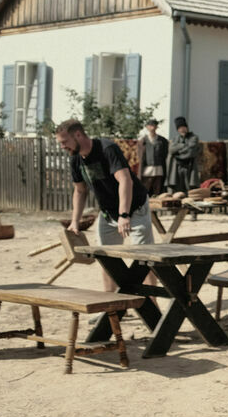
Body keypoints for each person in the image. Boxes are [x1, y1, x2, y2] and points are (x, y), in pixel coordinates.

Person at [54, 119, 157, 293]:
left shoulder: (107, 149)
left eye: (64, 142)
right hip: (108, 214)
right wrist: (75, 222)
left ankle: (151, 306)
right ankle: (110, 308)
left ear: (78, 135)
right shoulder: (75, 159)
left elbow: (125, 180)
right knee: (107, 258)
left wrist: (124, 215)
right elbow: (80, 191)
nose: (62, 146)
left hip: (135, 209)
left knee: (143, 258)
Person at [166, 116, 200, 195]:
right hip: (177, 167)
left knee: (189, 189)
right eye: (180, 128)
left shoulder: (193, 137)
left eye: (183, 127)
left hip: (189, 166)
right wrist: (182, 145)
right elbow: (171, 150)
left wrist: (178, 154)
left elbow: (191, 151)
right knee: (178, 189)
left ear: (187, 127)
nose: (182, 130)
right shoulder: (175, 138)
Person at [136, 119, 169, 196]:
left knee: (157, 186)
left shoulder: (162, 140)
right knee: (146, 185)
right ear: (147, 127)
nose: (152, 128)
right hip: (147, 167)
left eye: (154, 126)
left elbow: (165, 153)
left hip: (159, 166)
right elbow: (140, 154)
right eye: (150, 126)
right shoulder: (143, 140)